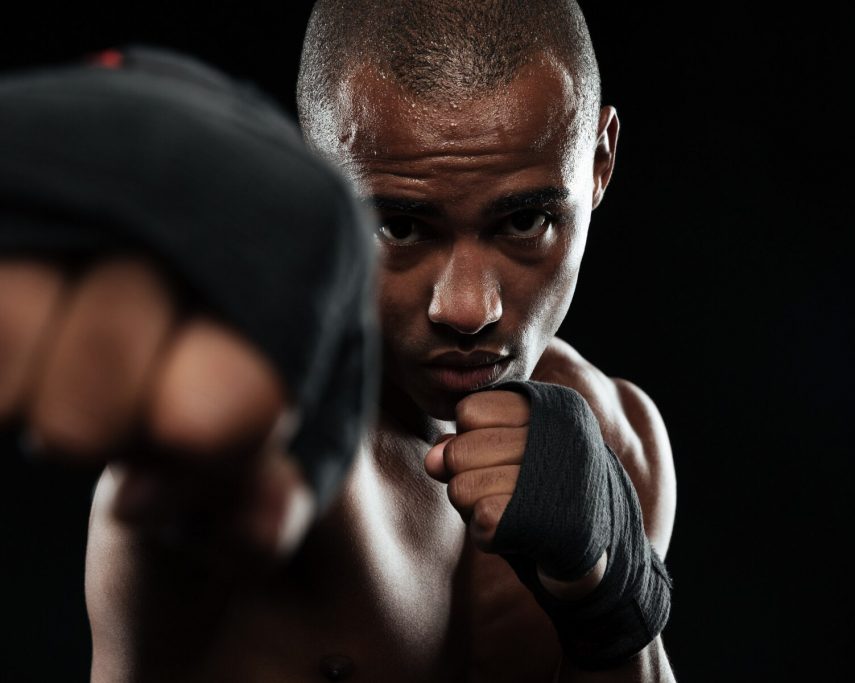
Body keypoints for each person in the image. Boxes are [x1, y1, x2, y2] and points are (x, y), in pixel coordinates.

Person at [0, 1, 676, 680]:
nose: (468, 308)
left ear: (599, 162)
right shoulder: (251, 453)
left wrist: (613, 604)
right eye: (400, 228)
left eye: (526, 220)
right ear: (322, 185)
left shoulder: (622, 440)